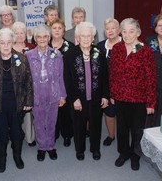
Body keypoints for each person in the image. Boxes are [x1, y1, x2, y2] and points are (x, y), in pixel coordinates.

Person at [0, 28, 34, 173]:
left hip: (17, 102)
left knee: (17, 132)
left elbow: (29, 81)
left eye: (8, 42)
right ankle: (2, 158)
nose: (5, 45)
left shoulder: (21, 58)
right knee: (1, 133)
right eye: (2, 42)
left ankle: (17, 156)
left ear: (12, 42)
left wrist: (29, 101)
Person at [109, 18, 156, 171]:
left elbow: (151, 78)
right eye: (124, 31)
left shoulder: (145, 50)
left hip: (139, 99)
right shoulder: (116, 48)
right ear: (120, 33)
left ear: (138, 32)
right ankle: (123, 153)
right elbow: (113, 73)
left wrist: (150, 102)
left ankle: (135, 155)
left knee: (137, 130)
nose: (128, 35)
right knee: (122, 128)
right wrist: (112, 93)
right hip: (121, 97)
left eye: (131, 31)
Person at [63, 22, 109, 161]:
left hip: (95, 97)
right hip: (78, 98)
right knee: (79, 125)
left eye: (89, 36)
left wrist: (105, 96)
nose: (86, 38)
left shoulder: (98, 52)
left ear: (93, 37)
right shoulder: (70, 54)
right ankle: (80, 150)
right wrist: (74, 98)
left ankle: (95, 149)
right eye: (83, 36)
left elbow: (105, 76)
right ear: (77, 37)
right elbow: (67, 79)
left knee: (95, 125)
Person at [26, 24, 66, 162]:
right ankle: (42, 147)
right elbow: (26, 79)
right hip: (36, 94)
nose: (42, 39)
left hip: (53, 94)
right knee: (38, 122)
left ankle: (50, 146)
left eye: (45, 36)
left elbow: (61, 76)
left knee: (51, 122)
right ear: (35, 39)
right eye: (39, 37)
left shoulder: (57, 54)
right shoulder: (28, 55)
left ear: (49, 38)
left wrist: (62, 95)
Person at [49, 19, 75, 147]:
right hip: (48, 86)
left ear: (64, 30)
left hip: (65, 84)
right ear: (50, 30)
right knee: (52, 111)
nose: (57, 30)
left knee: (65, 112)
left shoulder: (70, 46)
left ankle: (67, 135)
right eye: (54, 28)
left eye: (60, 28)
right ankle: (54, 133)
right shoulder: (45, 45)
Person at [97, 18, 121, 146]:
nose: (110, 31)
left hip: (124, 87)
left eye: (113, 28)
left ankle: (124, 138)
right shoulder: (100, 46)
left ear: (118, 30)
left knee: (123, 114)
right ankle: (111, 136)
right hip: (106, 86)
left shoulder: (126, 44)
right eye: (107, 29)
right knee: (109, 112)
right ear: (104, 32)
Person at [12, 21, 36, 147]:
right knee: (16, 113)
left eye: (22, 32)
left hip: (30, 84)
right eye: (17, 33)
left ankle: (30, 137)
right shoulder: (9, 48)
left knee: (28, 113)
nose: (20, 35)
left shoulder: (32, 47)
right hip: (14, 86)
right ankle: (17, 135)